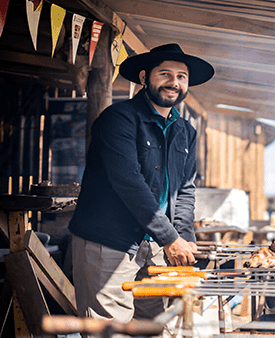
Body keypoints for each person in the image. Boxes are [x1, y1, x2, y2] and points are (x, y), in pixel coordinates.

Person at [68, 43, 214, 323]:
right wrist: (171, 238)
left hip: (155, 246)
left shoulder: (185, 130)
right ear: (145, 77)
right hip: (109, 241)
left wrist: (184, 240)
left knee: (157, 325)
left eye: (182, 77)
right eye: (165, 74)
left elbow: (184, 190)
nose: (174, 83)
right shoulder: (118, 120)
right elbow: (129, 182)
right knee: (110, 327)